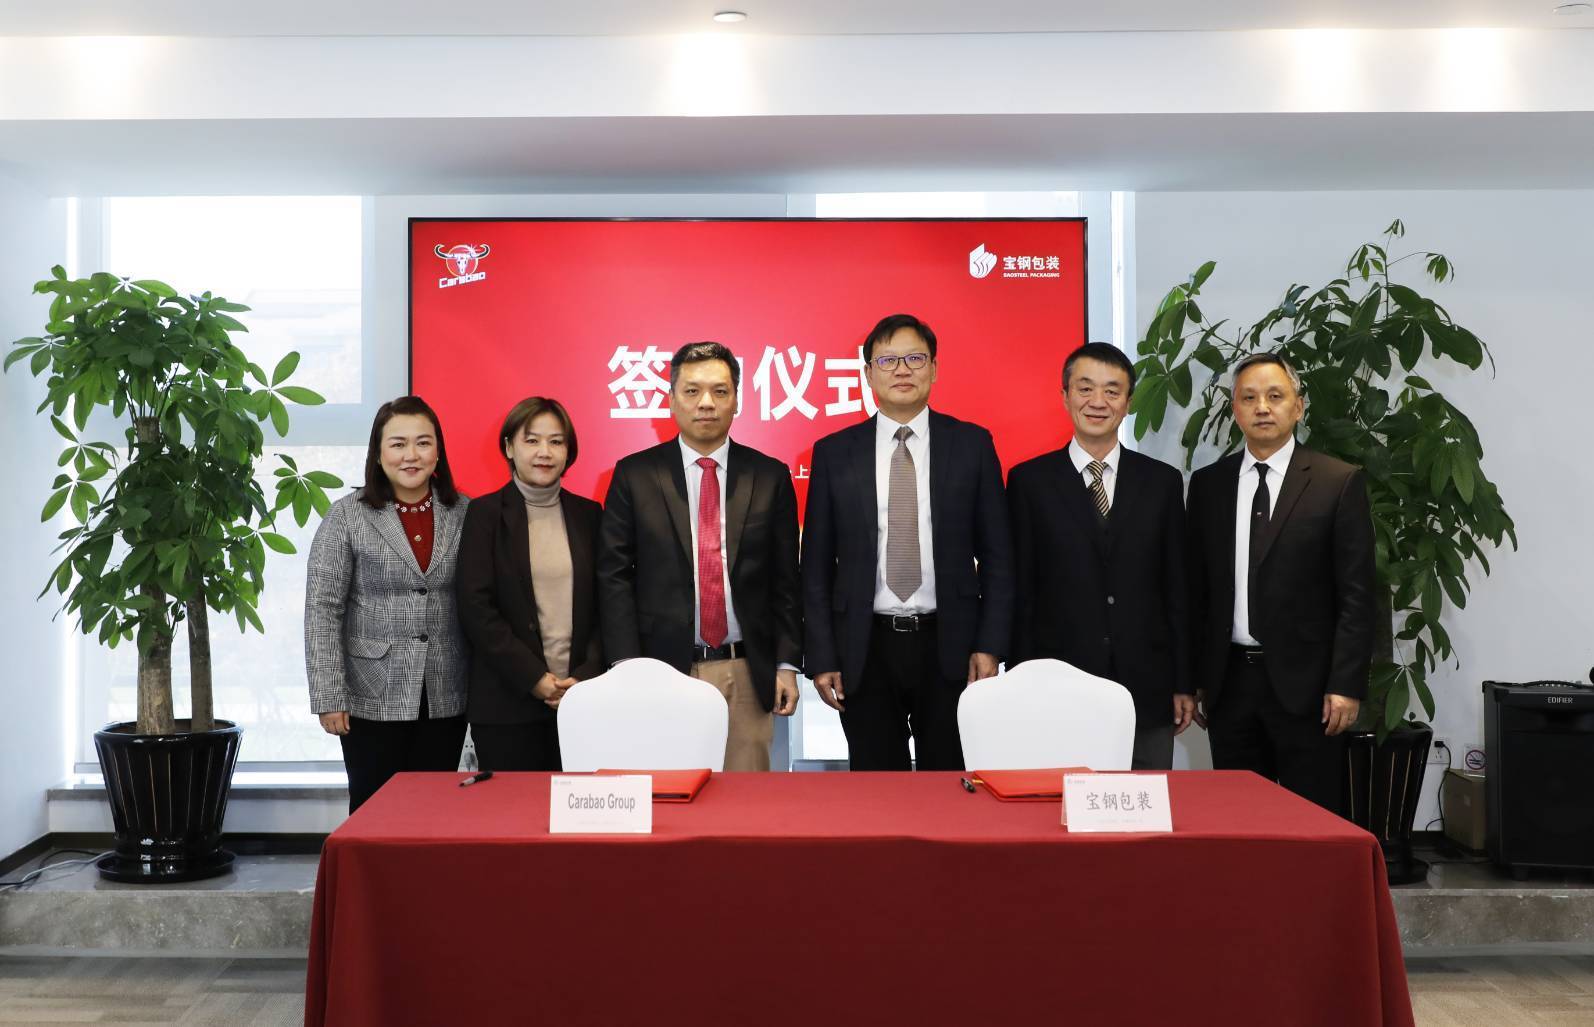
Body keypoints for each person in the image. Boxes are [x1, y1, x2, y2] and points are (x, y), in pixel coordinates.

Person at [801, 313, 1014, 771]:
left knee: (950, 783)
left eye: (915, 358)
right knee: (877, 786)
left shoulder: (972, 445)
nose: (902, 370)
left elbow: (999, 556)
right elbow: (815, 566)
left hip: (951, 644)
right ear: (868, 373)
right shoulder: (835, 453)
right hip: (865, 647)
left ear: (934, 368)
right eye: (888, 360)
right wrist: (821, 656)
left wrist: (990, 644)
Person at [597, 342, 802, 771]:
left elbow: (785, 580)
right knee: (666, 792)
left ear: (737, 401)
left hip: (745, 670)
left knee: (746, 798)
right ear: (671, 400)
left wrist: (786, 664)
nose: (706, 402)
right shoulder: (634, 474)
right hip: (660, 671)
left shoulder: (769, 475)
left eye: (719, 391)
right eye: (692, 391)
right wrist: (627, 667)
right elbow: (614, 575)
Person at [1186, 352, 1374, 814]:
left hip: (1310, 689)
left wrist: (1346, 684)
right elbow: (1198, 591)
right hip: (1230, 684)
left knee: (1310, 820)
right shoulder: (1208, 485)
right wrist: (1196, 678)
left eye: (1275, 396)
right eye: (1249, 398)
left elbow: (1357, 594)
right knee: (1237, 819)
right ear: (1235, 409)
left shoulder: (1337, 481)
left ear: (1298, 406)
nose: (1262, 408)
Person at [1007, 342, 1194, 769]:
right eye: (1085, 388)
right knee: (1058, 803)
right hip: (1055, 686)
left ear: (1128, 402)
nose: (1097, 402)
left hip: (1146, 687)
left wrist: (1183, 680)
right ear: (1065, 395)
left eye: (1112, 391)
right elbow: (1021, 592)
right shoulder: (1029, 482)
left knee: (1142, 802)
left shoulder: (1162, 483)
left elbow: (1177, 590)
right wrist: (1020, 680)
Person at [305, 396, 470, 813]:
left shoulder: (465, 512)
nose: (411, 455)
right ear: (378, 454)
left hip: (445, 691)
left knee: (434, 811)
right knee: (374, 812)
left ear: (438, 452)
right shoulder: (347, 516)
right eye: (398, 444)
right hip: (370, 693)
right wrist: (329, 695)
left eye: (423, 443)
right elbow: (323, 609)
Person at [456, 397, 603, 772]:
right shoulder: (484, 515)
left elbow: (609, 605)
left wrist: (584, 677)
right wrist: (534, 678)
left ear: (569, 451)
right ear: (509, 446)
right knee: (514, 808)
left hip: (582, 701)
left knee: (583, 807)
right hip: (507, 705)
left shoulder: (590, 515)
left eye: (556, 441)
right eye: (532, 440)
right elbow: (476, 608)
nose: (544, 452)